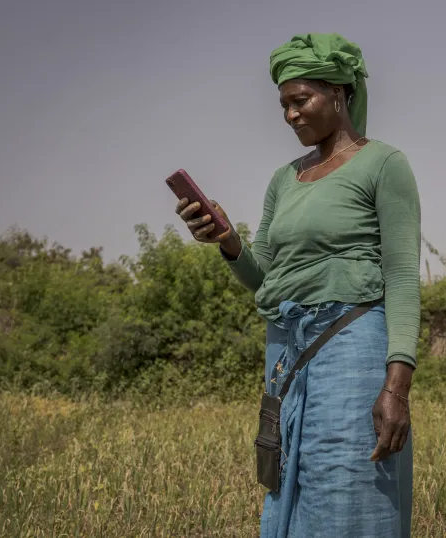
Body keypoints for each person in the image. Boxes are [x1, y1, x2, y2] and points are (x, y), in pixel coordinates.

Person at [175, 33, 421, 538]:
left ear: (338, 93)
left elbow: (399, 277)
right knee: (293, 479)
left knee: (350, 482)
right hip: (288, 352)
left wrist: (397, 388)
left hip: (353, 345)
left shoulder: (384, 165)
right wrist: (226, 240)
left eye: (300, 100)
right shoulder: (284, 179)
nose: (290, 114)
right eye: (283, 104)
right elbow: (264, 277)